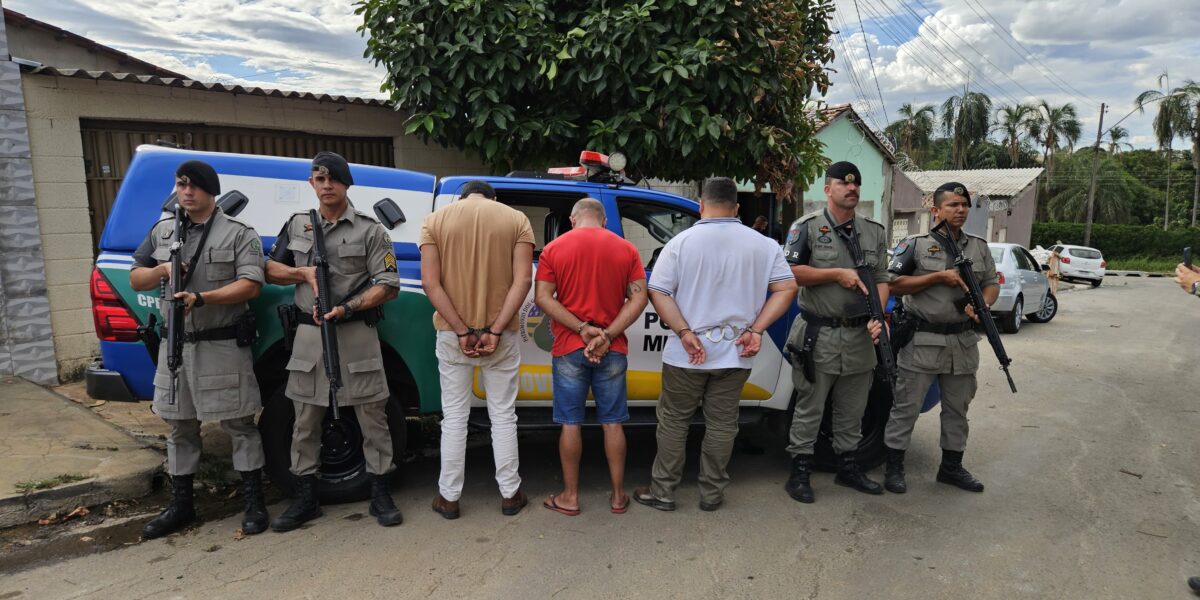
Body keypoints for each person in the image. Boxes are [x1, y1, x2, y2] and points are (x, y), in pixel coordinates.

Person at [632, 177, 797, 512]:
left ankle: (663, 492)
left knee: (675, 421)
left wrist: (683, 331)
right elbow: (786, 289)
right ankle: (712, 493)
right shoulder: (763, 245)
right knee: (723, 423)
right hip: (736, 351)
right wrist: (757, 329)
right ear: (737, 207)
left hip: (686, 354)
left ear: (701, 204)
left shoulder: (681, 242)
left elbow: (658, 291)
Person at [129, 160, 268, 539]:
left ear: (211, 191)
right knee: (179, 427)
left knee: (239, 424)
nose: (186, 192)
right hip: (175, 347)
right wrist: (162, 271)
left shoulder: (238, 233)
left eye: (194, 186)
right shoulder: (163, 231)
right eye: (180, 184)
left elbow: (251, 284)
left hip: (220, 343)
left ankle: (254, 502)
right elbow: (136, 277)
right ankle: (182, 506)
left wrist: (202, 298)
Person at [265, 151, 403, 530]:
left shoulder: (370, 229)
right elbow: (269, 269)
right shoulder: (296, 225)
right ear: (312, 183)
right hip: (309, 337)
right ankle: (305, 498)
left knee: (373, 416)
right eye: (319, 179)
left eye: (334, 180)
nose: (327, 186)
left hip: (356, 333)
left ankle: (380, 492)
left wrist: (348, 307)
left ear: (346, 184)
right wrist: (302, 273)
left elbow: (388, 286)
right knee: (305, 419)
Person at [420, 180, 534, 519]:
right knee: (502, 415)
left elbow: (430, 282)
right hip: (501, 336)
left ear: (463, 197)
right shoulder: (516, 219)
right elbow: (523, 281)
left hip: (453, 335)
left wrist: (461, 329)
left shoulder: (435, 221)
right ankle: (511, 494)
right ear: (493, 197)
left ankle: (449, 497)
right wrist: (494, 329)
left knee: (454, 417)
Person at [781, 161, 890, 504]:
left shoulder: (874, 231)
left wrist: (880, 315)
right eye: (843, 184)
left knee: (853, 408)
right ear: (827, 189)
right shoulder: (808, 227)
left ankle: (848, 466)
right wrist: (835, 274)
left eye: (855, 185)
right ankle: (799, 470)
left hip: (860, 336)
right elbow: (790, 272)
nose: (851, 189)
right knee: (810, 406)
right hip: (820, 334)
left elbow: (883, 279)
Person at [883, 181, 999, 494]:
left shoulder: (978, 246)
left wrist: (983, 304)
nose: (960, 210)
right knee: (906, 407)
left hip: (962, 341)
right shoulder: (915, 244)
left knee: (957, 410)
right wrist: (937, 277)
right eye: (952, 205)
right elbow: (892, 284)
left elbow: (991, 282)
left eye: (964, 205)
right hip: (922, 339)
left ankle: (951, 468)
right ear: (936, 210)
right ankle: (894, 468)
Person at [534, 198, 648, 516]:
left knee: (571, 423)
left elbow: (542, 297)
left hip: (569, 347)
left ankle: (570, 496)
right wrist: (607, 334)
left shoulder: (554, 249)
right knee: (612, 423)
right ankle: (617, 496)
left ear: (572, 220)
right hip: (613, 349)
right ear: (604, 221)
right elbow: (639, 299)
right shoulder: (627, 250)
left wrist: (582, 329)